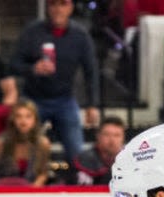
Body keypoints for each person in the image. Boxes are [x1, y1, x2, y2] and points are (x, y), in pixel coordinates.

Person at [10, 0, 100, 164]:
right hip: (33, 100)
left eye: (63, 4)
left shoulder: (80, 35)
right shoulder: (32, 32)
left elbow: (91, 71)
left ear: (71, 7)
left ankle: (78, 184)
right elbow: (13, 64)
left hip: (65, 99)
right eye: (53, 4)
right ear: (47, 8)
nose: (58, 9)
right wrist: (33, 69)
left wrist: (92, 104)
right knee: (24, 149)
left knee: (77, 152)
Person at [0, 99, 55, 186]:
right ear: (13, 120)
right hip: (5, 192)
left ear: (35, 120)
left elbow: (43, 173)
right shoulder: (0, 144)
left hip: (32, 193)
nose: (23, 121)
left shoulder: (42, 144)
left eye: (28, 116)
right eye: (18, 116)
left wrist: (32, 190)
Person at [73, 115, 126, 185]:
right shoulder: (83, 160)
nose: (112, 140)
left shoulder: (132, 160)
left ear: (123, 138)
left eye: (117, 135)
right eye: (107, 134)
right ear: (98, 136)